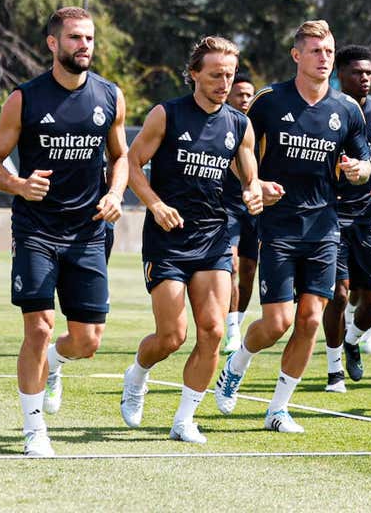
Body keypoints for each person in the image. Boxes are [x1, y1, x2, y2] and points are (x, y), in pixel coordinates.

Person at [0, 6, 129, 457]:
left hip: (88, 231)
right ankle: (34, 429)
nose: (84, 46)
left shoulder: (110, 97)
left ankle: (57, 365)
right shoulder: (24, 98)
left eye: (89, 39)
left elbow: (121, 156)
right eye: (75, 39)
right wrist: (20, 185)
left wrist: (117, 193)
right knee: (39, 328)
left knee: (87, 341)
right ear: (52, 43)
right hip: (36, 230)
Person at [213, 20, 371, 433]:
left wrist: (358, 171)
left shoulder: (347, 110)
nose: (324, 58)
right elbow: (237, 150)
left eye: (329, 51)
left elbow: (364, 164)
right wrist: (254, 184)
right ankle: (238, 362)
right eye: (316, 51)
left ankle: (278, 409)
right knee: (277, 322)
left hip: (324, 226)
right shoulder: (269, 101)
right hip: (279, 228)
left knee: (311, 321)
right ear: (297, 55)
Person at [120, 36, 263, 443]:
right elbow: (130, 163)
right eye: (216, 74)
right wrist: (154, 204)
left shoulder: (240, 124)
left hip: (214, 237)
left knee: (214, 330)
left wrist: (255, 191)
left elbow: (249, 176)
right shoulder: (167, 114)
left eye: (230, 75)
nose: (224, 82)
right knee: (171, 336)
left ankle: (184, 419)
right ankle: (138, 374)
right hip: (168, 238)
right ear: (195, 73)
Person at [321, 45, 371, 393]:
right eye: (356, 73)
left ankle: (352, 340)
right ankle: (334, 371)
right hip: (332, 213)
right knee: (337, 294)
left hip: (368, 214)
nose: (364, 78)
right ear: (341, 74)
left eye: (368, 73)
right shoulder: (330, 108)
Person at [223, 74, 260, 353]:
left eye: (249, 95)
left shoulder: (258, 127)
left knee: (248, 271)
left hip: (254, 209)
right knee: (233, 266)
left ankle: (237, 319)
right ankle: (232, 331)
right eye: (240, 94)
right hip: (226, 208)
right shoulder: (220, 123)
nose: (245, 99)